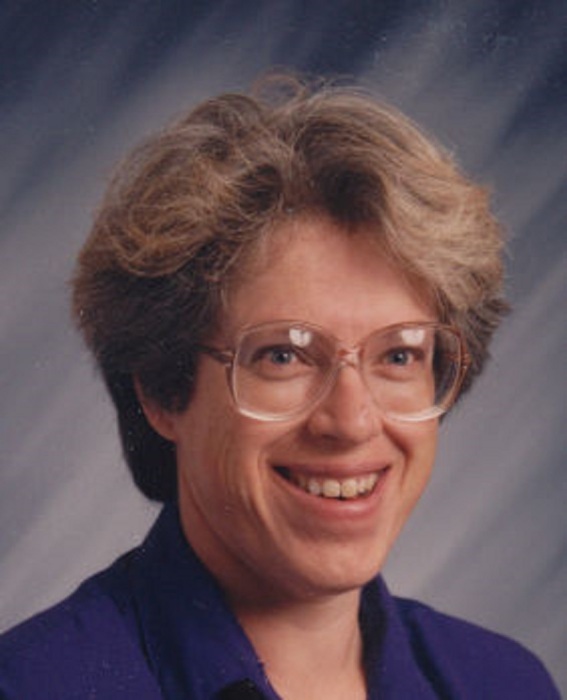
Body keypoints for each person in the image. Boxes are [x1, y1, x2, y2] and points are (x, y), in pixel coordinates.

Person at [0, 75, 559, 700]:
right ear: (161, 390)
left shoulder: (504, 684)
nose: (352, 421)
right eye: (283, 356)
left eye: (399, 355)